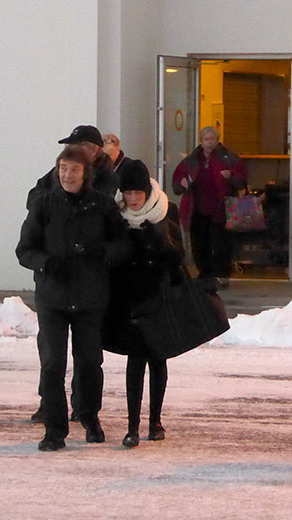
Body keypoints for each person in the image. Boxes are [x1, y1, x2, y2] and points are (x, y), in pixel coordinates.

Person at [16, 144, 128, 451]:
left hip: (91, 297)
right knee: (52, 362)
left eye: (74, 169)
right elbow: (24, 250)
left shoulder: (102, 205)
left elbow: (122, 242)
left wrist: (104, 254)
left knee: (90, 361)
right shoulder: (44, 204)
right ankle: (54, 429)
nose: (68, 175)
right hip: (53, 297)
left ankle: (90, 417)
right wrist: (47, 263)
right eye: (63, 169)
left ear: (85, 173)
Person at [103, 160, 184, 447]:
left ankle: (156, 421)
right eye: (128, 192)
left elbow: (179, 258)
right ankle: (132, 426)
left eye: (138, 192)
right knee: (135, 361)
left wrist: (158, 243)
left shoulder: (165, 211)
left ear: (147, 191)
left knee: (157, 359)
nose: (133, 198)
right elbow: (109, 255)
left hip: (158, 295)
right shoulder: (115, 215)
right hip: (128, 297)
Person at [172, 126, 246, 286]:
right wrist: (182, 183)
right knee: (199, 244)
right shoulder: (191, 160)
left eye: (212, 139)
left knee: (221, 244)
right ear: (201, 141)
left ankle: (222, 275)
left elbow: (242, 181)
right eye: (206, 139)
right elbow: (176, 186)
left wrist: (231, 176)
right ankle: (204, 275)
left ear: (218, 140)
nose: (210, 143)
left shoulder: (229, 158)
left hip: (221, 208)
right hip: (197, 209)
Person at [27, 125, 118, 205]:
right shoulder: (60, 170)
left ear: (94, 150)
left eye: (79, 146)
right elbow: (32, 198)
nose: (72, 151)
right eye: (69, 146)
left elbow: (95, 208)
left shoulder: (107, 176)